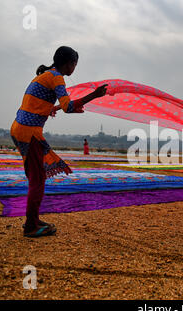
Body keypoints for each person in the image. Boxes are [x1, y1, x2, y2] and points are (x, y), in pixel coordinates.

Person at [10, 46, 109, 237]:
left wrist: (52, 108)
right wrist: (94, 96)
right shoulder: (56, 77)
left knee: (35, 177)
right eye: (75, 64)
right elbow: (68, 107)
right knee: (37, 181)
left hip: (20, 128)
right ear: (70, 63)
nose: (75, 68)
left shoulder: (45, 75)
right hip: (29, 132)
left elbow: (38, 104)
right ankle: (31, 226)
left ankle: (33, 219)